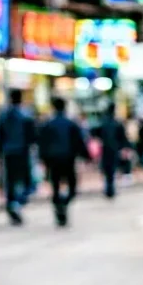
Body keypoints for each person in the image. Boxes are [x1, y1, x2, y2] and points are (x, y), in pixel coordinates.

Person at [38, 97, 91, 228]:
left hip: (53, 160)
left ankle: (59, 207)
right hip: (68, 159)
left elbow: (42, 143)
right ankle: (63, 204)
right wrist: (86, 156)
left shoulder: (47, 124)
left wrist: (43, 158)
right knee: (72, 187)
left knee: (55, 186)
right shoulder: (71, 123)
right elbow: (79, 142)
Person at [0, 90, 38, 225]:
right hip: (22, 152)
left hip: (8, 153)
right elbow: (33, 135)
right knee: (27, 181)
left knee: (10, 181)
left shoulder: (3, 115)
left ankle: (12, 203)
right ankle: (17, 202)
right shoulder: (26, 115)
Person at [93, 109, 129, 199]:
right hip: (113, 149)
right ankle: (110, 188)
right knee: (111, 169)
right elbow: (123, 137)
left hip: (105, 149)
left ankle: (108, 188)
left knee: (106, 169)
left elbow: (95, 132)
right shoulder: (116, 123)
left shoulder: (102, 123)